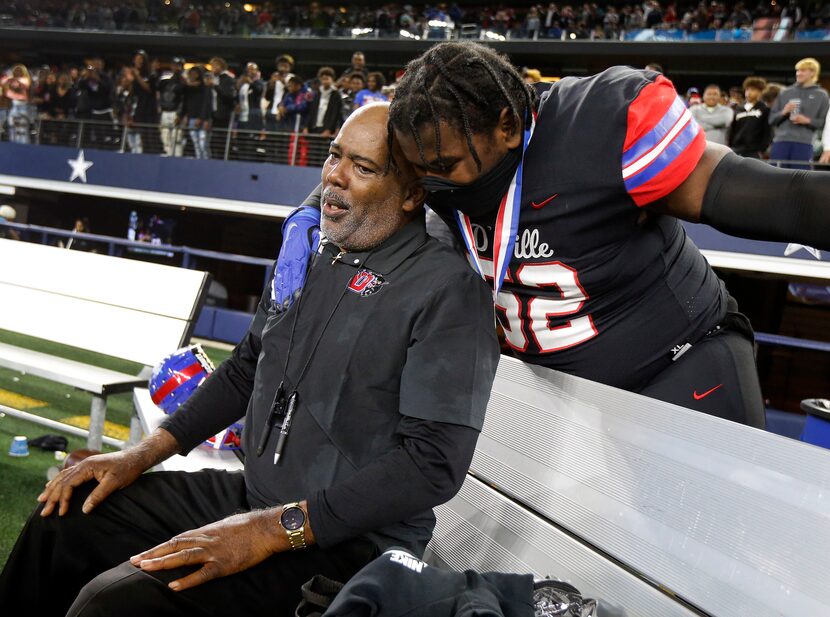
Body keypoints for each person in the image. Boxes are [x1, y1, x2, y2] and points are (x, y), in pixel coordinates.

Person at [0, 103, 499, 617]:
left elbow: (433, 465)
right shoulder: (314, 253)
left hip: (348, 543)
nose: (335, 177)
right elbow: (246, 366)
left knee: (115, 602)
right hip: (254, 496)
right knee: (63, 518)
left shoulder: (447, 290)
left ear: (414, 193)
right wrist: (138, 456)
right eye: (334, 156)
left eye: (363, 167)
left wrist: (270, 528)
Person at [277, 41, 830, 430]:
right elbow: (363, 169)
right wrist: (305, 213)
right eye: (419, 166)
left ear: (508, 126)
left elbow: (780, 198)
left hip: (675, 369)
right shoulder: (429, 146)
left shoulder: (593, 131)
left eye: (445, 163)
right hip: (550, 391)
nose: (431, 182)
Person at [768, 57, 829, 168]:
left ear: (813, 73)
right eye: (797, 70)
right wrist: (784, 112)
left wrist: (807, 120)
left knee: (801, 179)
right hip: (781, 141)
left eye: (802, 70)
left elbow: (824, 123)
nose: (798, 73)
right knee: (775, 178)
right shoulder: (785, 92)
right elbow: (771, 119)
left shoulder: (822, 95)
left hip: (804, 143)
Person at [728, 76, 771, 159]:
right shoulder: (738, 108)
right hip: (737, 148)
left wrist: (762, 149)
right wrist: (731, 145)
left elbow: (767, 131)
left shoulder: (764, 109)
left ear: (761, 92)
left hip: (754, 150)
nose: (749, 93)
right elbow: (732, 130)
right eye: (747, 89)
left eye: (753, 90)